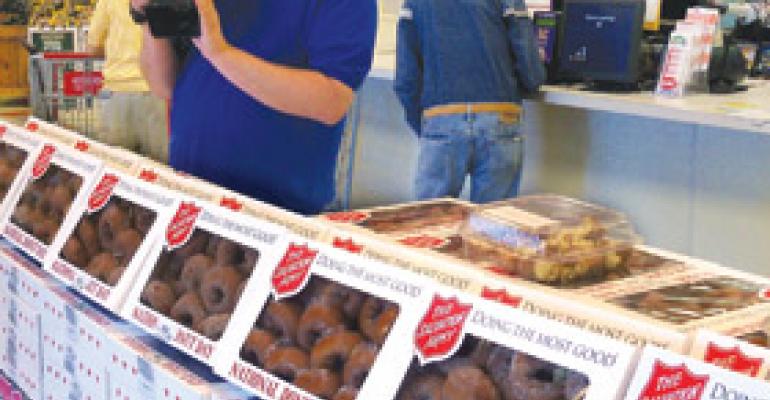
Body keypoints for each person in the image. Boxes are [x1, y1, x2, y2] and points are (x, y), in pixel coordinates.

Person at [129, 0, 377, 215]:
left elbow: (331, 101)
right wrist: (149, 18)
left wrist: (222, 54)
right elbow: (164, 86)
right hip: (189, 194)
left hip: (275, 211)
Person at [394, 0, 545, 203]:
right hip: (500, 117)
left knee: (429, 222)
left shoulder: (413, 4)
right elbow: (532, 75)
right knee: (493, 226)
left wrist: (427, 128)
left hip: (441, 117)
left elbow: (406, 81)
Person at [88, 0, 169, 162]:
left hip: (116, 92)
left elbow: (93, 47)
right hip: (155, 91)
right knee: (160, 168)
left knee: (113, 166)